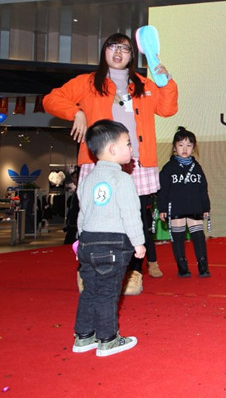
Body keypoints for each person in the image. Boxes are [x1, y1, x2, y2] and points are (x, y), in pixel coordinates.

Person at [44, 32, 177, 294]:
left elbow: (168, 108)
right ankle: (87, 269)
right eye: (113, 46)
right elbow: (50, 99)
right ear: (104, 50)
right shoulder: (87, 82)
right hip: (98, 162)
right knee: (93, 217)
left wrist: (167, 81)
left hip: (137, 162)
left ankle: (134, 273)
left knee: (136, 219)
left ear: (132, 56)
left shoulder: (144, 84)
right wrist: (76, 112)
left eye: (125, 49)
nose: (118, 52)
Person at [72, 120, 143, 357]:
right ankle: (108, 339)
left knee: (90, 291)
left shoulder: (87, 180)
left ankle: (83, 336)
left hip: (88, 242)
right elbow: (130, 214)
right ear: (112, 149)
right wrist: (138, 242)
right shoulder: (122, 180)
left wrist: (80, 242)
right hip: (113, 244)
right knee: (107, 293)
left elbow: (82, 215)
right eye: (128, 143)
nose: (131, 148)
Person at [157, 127, 211, 278]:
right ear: (174, 148)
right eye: (181, 145)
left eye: (189, 145)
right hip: (176, 208)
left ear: (194, 148)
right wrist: (162, 208)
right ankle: (182, 267)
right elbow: (163, 190)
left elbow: (203, 188)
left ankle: (203, 266)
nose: (185, 149)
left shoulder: (197, 167)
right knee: (178, 238)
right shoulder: (168, 168)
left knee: (198, 237)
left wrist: (205, 207)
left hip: (195, 207)